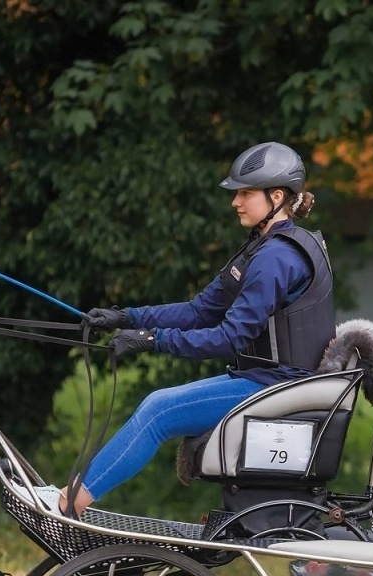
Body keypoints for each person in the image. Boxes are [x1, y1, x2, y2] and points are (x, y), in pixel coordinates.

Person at [60, 141, 335, 516]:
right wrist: (128, 317)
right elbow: (200, 310)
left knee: (158, 411)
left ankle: (70, 503)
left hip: (280, 389)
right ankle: (73, 496)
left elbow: (229, 336)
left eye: (245, 193)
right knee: (158, 408)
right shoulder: (262, 246)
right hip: (265, 380)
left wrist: (153, 340)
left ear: (276, 196)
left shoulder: (277, 257)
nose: (235, 202)